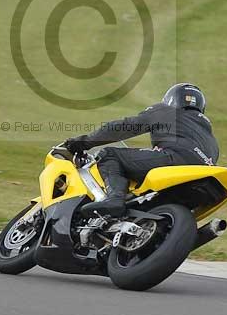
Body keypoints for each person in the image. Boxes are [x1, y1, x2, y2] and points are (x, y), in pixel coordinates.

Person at [64, 83, 218, 217]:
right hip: (201, 176)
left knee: (110, 154)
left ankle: (115, 199)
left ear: (171, 100)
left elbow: (122, 128)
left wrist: (83, 143)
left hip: (174, 160)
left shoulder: (165, 111)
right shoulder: (211, 138)